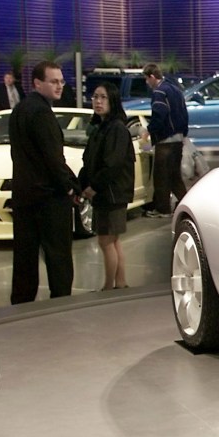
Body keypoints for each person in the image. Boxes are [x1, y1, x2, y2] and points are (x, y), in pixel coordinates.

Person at [9, 61, 81, 304]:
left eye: (61, 81)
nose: (59, 86)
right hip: (48, 200)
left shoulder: (19, 110)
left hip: (23, 197)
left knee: (24, 261)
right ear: (37, 83)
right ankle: (59, 309)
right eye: (54, 81)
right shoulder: (41, 113)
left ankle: (20, 309)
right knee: (58, 260)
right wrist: (70, 187)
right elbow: (53, 158)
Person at [79, 82, 135, 290]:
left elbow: (113, 163)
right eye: (95, 97)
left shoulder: (117, 129)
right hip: (107, 193)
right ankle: (119, 283)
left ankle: (108, 286)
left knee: (106, 241)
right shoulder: (99, 128)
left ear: (112, 101)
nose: (98, 101)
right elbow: (89, 161)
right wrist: (83, 185)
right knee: (112, 240)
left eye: (103, 97)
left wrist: (94, 186)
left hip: (112, 193)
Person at [142, 62, 189, 218]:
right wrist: (184, 133)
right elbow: (184, 113)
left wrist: (148, 130)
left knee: (161, 177)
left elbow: (159, 114)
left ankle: (163, 209)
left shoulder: (160, 92)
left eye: (147, 79)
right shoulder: (175, 90)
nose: (147, 83)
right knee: (175, 177)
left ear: (152, 77)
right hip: (178, 139)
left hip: (165, 141)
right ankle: (187, 205)